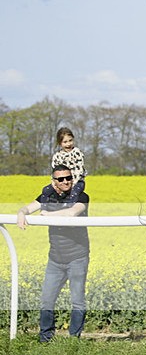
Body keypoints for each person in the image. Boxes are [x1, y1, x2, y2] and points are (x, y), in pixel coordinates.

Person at [16, 165, 90, 342]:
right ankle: (45, 340)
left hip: (77, 257)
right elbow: (27, 208)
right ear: (53, 181)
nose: (66, 182)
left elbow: (72, 213)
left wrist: (47, 214)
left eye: (68, 178)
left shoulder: (81, 196)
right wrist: (21, 213)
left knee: (78, 301)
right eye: (61, 179)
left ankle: (74, 341)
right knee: (46, 301)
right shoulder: (47, 196)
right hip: (55, 260)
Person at [43, 127, 86, 203]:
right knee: (46, 191)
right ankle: (45, 211)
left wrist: (70, 185)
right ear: (60, 143)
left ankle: (68, 209)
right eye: (65, 142)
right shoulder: (57, 156)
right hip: (62, 182)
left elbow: (79, 172)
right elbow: (54, 172)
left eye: (70, 140)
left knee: (74, 193)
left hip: (77, 182)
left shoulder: (77, 153)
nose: (68, 144)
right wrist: (55, 184)